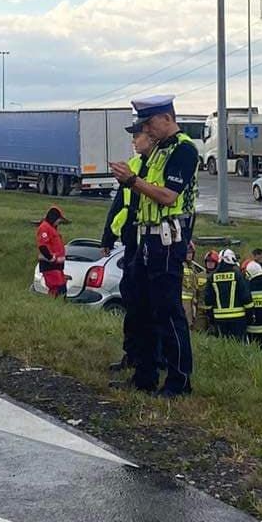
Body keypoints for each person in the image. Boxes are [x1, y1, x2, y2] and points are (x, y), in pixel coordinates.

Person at [110, 95, 201, 397]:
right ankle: (144, 375)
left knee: (168, 311)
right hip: (145, 237)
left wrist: (132, 180)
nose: (146, 131)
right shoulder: (158, 150)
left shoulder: (184, 150)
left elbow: (167, 196)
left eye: (149, 124)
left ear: (167, 117)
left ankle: (179, 381)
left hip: (167, 239)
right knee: (141, 308)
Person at [103, 123, 153, 372]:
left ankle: (151, 359)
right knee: (130, 299)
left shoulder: (156, 166)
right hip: (132, 241)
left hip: (151, 242)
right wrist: (107, 236)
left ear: (151, 136)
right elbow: (119, 204)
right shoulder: (134, 165)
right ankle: (132, 354)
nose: (134, 141)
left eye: (137, 135)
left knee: (148, 304)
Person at [203, 248, 252, 340]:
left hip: (219, 319)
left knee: (223, 345)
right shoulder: (237, 275)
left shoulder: (212, 277)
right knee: (239, 346)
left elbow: (208, 300)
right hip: (238, 319)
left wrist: (211, 318)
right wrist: (250, 315)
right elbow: (246, 297)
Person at [36, 206, 70, 299]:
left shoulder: (52, 228)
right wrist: (51, 258)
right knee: (57, 288)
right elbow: (43, 246)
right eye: (58, 219)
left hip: (56, 266)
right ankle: (53, 307)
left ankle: (57, 307)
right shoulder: (45, 228)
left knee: (62, 289)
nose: (59, 222)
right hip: (50, 265)